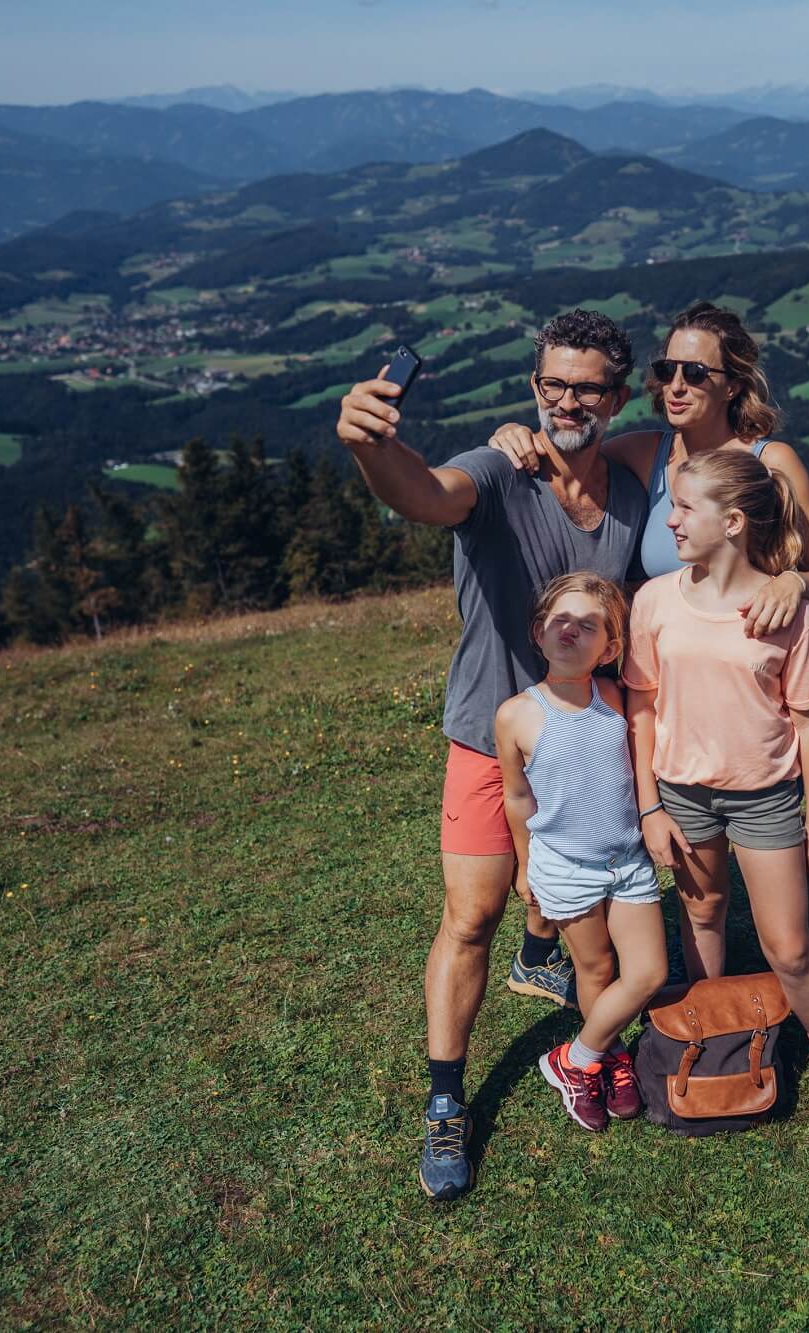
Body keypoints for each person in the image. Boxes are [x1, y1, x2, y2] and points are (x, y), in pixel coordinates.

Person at [335, 310, 646, 1200]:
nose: (566, 402)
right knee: (470, 916)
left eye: (586, 387)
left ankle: (549, 967)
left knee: (589, 897)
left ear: (616, 397)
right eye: (552, 384)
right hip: (489, 732)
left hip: (588, 740)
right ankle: (446, 1101)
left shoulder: (632, 487)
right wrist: (369, 445)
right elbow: (426, 495)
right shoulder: (500, 468)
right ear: (534, 386)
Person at [622, 449, 809, 1119]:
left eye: (685, 508)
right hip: (681, 794)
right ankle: (717, 1034)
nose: (671, 521)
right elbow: (641, 707)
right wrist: (650, 806)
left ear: (733, 522)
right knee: (703, 914)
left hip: (766, 798)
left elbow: (808, 720)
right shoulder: (653, 601)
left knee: (790, 947)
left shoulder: (790, 612)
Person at [489, 300, 809, 634]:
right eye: (667, 370)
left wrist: (794, 583)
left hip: (746, 655)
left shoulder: (770, 462)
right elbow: (566, 456)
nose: (676, 386)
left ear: (732, 386)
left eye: (696, 374)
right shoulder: (642, 453)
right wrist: (513, 434)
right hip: (660, 663)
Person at [494, 573, 667, 1132]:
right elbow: (518, 797)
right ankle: (609, 1057)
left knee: (648, 972)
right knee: (595, 969)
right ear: (538, 633)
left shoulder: (614, 698)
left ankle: (575, 1058)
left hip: (628, 862)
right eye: (560, 620)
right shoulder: (516, 714)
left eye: (588, 625)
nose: (570, 630)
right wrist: (524, 865)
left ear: (610, 649)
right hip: (565, 869)